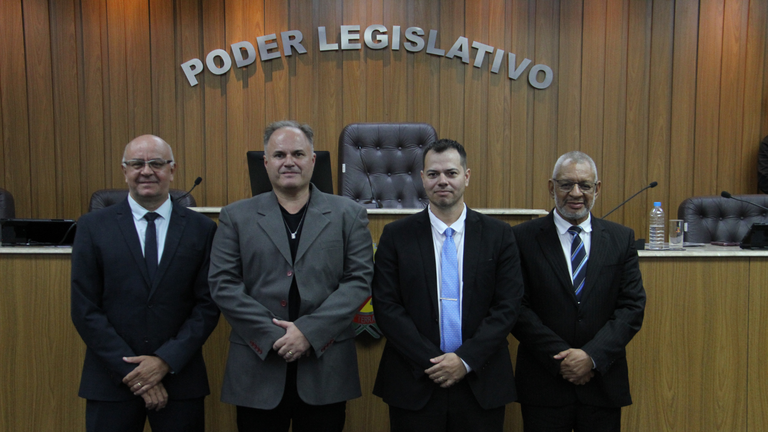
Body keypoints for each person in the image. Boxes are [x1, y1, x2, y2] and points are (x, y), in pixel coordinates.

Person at [208, 120, 373, 432]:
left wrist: (308, 333)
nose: (289, 162)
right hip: (259, 366)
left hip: (326, 368)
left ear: (312, 160)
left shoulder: (347, 214)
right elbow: (223, 284)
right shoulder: (236, 216)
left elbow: (359, 280)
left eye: (298, 154)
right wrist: (277, 337)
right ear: (266, 162)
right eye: (279, 154)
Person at [372, 139, 524, 432]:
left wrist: (465, 360)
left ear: (466, 176)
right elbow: (387, 307)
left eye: (451, 173)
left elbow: (507, 306)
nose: (442, 181)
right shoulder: (396, 236)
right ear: (422, 179)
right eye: (433, 174)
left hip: (481, 380)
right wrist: (434, 363)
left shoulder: (499, 235)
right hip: (414, 380)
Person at [71, 135, 220, 432]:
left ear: (172, 170)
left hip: (180, 380)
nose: (146, 171)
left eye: (156, 163)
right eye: (137, 163)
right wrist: (136, 373)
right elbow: (85, 309)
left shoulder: (202, 229)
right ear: (124, 170)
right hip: (111, 382)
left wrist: (164, 362)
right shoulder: (91, 227)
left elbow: (208, 305)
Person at [511, 151, 646, 431]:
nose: (576, 193)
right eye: (565, 184)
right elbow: (516, 307)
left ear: (597, 189)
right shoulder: (521, 238)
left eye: (584, 185)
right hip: (544, 384)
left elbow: (631, 307)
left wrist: (591, 357)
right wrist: (562, 358)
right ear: (551, 187)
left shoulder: (621, 239)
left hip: (602, 383)